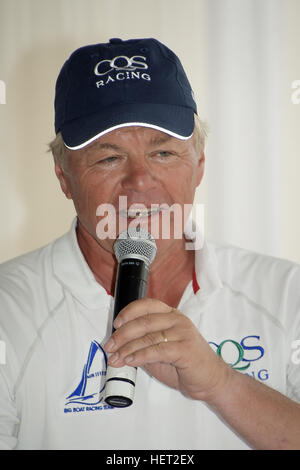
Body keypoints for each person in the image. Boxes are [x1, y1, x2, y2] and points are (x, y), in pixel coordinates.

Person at [0, 37, 300, 451]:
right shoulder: (7, 308)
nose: (139, 180)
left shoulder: (288, 293)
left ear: (199, 165)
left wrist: (221, 383)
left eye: (162, 153)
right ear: (63, 177)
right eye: (109, 158)